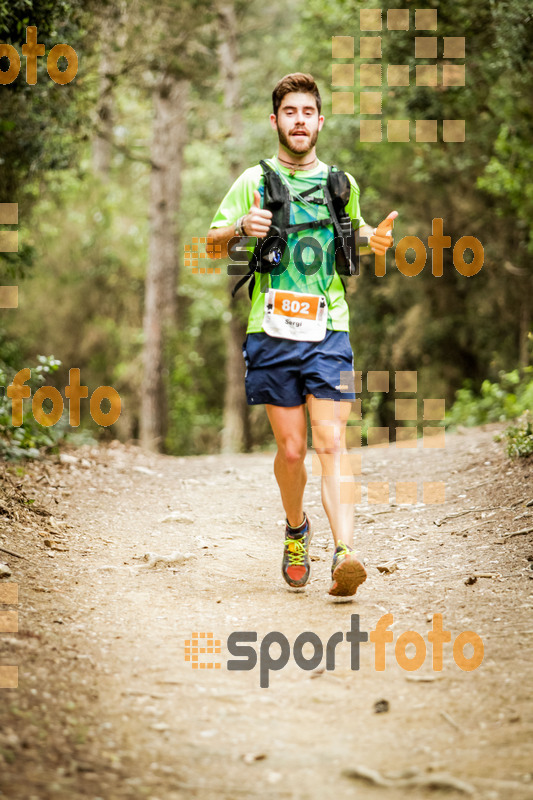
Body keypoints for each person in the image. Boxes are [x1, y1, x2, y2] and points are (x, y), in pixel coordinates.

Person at [207, 73, 396, 597]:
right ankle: (297, 530)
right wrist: (239, 228)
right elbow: (210, 242)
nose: (299, 121)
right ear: (276, 121)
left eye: (307, 112)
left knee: (331, 442)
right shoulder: (253, 179)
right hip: (270, 328)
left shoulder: (341, 182)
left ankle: (344, 553)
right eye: (289, 112)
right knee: (292, 452)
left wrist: (373, 239)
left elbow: (352, 231)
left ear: (319, 121)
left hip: (328, 326)